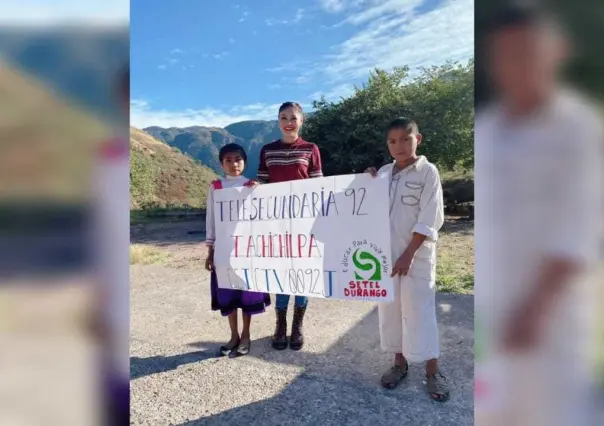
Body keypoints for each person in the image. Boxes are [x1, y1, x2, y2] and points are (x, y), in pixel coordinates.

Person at [475, 4, 603, 425]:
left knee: (552, 410)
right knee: (497, 411)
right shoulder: (490, 128)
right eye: (507, 55)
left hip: (550, 313)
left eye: (529, 52)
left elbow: (580, 224)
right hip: (493, 303)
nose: (519, 66)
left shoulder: (579, 129)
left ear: (556, 52)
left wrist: (535, 307)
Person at [365, 117, 449, 402]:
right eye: (392, 141)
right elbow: (364, 206)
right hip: (385, 258)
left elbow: (430, 218)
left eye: (405, 139)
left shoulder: (428, 173)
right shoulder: (384, 174)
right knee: (390, 310)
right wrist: (366, 182)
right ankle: (399, 364)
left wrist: (408, 254)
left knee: (420, 311)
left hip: (416, 257)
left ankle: (433, 371)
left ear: (418, 139)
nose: (399, 146)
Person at [257, 101, 323, 351]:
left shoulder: (310, 149)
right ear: (278, 121)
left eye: (293, 118)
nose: (288, 122)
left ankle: (297, 327)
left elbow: (318, 185)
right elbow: (262, 183)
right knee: (282, 275)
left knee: (302, 275)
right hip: (276, 224)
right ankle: (280, 325)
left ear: (301, 121)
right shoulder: (267, 150)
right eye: (283, 118)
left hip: (304, 225)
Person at [204, 143, 270, 357]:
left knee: (246, 297)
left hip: (247, 253)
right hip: (224, 253)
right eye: (228, 160)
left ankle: (246, 335)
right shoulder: (216, 188)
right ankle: (233, 336)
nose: (234, 164)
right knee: (229, 297)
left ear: (245, 162)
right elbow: (211, 221)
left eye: (238, 159)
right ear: (221, 163)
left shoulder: (252, 186)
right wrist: (210, 251)